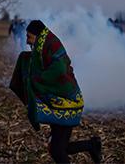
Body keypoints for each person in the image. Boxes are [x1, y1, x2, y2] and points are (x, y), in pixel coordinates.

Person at [9, 20, 102, 163]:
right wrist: (24, 61)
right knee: (59, 147)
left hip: (67, 102)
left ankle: (92, 145)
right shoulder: (41, 47)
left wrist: (35, 81)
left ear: (38, 35)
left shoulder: (51, 44)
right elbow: (39, 64)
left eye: (29, 37)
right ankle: (92, 145)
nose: (27, 41)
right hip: (56, 103)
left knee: (57, 150)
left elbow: (59, 70)